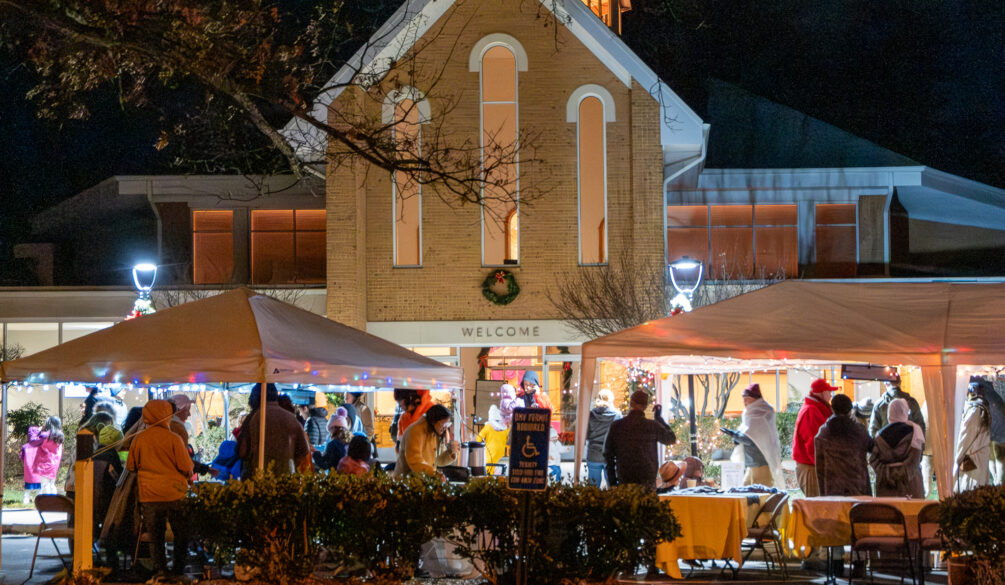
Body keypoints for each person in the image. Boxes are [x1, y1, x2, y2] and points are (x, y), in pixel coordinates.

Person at [126, 399, 194, 576]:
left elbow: (131, 466)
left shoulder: (139, 440)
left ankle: (160, 571)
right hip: (175, 494)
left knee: (156, 537)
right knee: (181, 534)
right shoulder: (174, 439)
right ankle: (178, 570)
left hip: (149, 495)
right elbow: (186, 467)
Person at [603, 390, 676, 490]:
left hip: (625, 477)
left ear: (631, 403)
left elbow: (608, 455)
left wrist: (612, 482)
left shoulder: (617, 426)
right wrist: (659, 418)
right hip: (647, 479)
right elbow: (671, 439)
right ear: (645, 407)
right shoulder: (652, 426)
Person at [237, 383, 311, 477]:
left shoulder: (253, 418)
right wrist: (289, 462)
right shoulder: (291, 418)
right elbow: (304, 450)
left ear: (255, 397)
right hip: (285, 478)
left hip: (257, 478)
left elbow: (242, 451)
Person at [721, 384, 784, 487]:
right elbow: (748, 434)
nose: (744, 402)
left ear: (755, 399)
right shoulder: (752, 413)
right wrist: (736, 436)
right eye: (744, 399)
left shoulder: (761, 413)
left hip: (761, 462)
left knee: (759, 493)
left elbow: (751, 438)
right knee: (746, 488)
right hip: (753, 462)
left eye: (747, 399)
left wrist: (734, 435)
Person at [814, 394, 872, 496]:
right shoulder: (859, 431)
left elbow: (820, 467)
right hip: (858, 487)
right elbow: (873, 448)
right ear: (850, 410)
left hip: (833, 490)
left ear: (832, 409)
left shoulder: (823, 433)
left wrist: (823, 494)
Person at [870, 398, 924, 498]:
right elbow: (915, 461)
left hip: (886, 488)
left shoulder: (879, 436)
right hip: (910, 486)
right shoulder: (915, 433)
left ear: (889, 413)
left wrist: (887, 473)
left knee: (889, 512)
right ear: (904, 412)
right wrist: (902, 473)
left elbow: (873, 460)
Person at [792, 378, 835, 498]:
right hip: (812, 469)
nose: (830, 395)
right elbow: (813, 444)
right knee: (816, 508)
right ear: (821, 393)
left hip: (814, 467)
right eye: (829, 391)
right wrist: (825, 467)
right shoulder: (811, 411)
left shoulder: (815, 409)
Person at [393, 404, 460, 478]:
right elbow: (415, 461)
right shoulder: (415, 431)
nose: (445, 427)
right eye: (443, 424)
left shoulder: (432, 432)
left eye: (447, 424)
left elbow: (436, 461)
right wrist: (434, 474)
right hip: (406, 483)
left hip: (420, 481)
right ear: (434, 421)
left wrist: (450, 452)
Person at [954, 378, 992, 491]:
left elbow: (965, 436)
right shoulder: (983, 408)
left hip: (972, 461)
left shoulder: (974, 410)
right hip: (978, 458)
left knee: (969, 491)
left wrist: (956, 458)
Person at [869, 375, 926, 439]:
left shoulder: (879, 405)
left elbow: (873, 431)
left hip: (885, 447)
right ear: (900, 382)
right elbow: (921, 427)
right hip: (909, 446)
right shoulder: (912, 402)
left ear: (886, 384)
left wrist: (880, 447)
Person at [585, 388, 621, 487]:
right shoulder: (617, 415)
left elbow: (586, 435)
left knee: (593, 488)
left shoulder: (590, 415)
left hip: (593, 454)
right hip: (610, 455)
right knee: (612, 487)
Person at [36, 416, 65, 495]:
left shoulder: (45, 435)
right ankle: (53, 503)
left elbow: (35, 442)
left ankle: (45, 503)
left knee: (44, 485)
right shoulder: (60, 436)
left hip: (44, 464)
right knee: (51, 484)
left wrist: (38, 431)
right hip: (54, 463)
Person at [20, 426, 45, 505]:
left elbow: (21, 457)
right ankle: (38, 501)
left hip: (28, 470)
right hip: (39, 470)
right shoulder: (41, 446)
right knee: (39, 487)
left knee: (28, 487)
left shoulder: (25, 446)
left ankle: (26, 500)